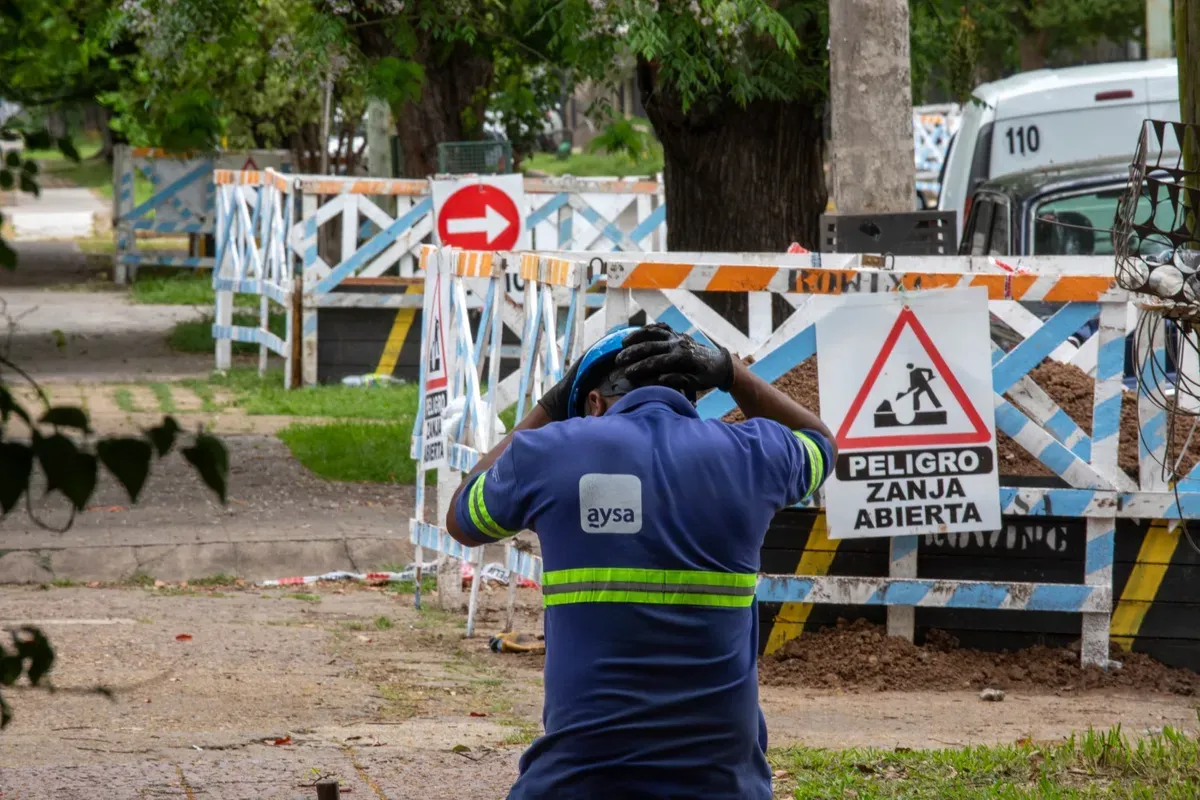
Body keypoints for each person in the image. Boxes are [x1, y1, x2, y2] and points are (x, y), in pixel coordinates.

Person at [444, 323, 836, 799]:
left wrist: (551, 405)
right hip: (722, 785)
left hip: (578, 782)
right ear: (692, 394)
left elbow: (462, 516)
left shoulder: (546, 454)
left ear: (593, 402)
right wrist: (733, 373)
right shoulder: (754, 454)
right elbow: (821, 441)